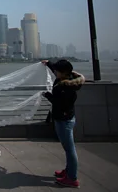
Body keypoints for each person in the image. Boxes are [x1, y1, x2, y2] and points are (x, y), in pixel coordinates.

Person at [41, 59, 85, 188]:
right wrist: (48, 63)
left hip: (64, 120)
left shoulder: (65, 87)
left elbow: (60, 103)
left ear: (63, 73)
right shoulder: (68, 79)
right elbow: (57, 68)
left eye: (56, 70)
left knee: (70, 150)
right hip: (65, 118)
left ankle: (72, 178)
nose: (54, 71)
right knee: (67, 149)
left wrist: (47, 95)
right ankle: (68, 171)